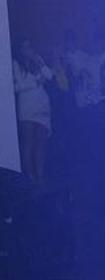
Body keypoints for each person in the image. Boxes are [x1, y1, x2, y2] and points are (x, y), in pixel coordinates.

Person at [11, 38, 54, 186]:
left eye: (29, 46)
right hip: (27, 106)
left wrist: (39, 62)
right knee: (28, 143)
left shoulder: (37, 59)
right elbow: (16, 87)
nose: (28, 49)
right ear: (19, 50)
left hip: (42, 105)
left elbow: (49, 76)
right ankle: (29, 176)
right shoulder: (15, 63)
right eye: (24, 47)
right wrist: (34, 82)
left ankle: (40, 175)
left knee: (41, 143)